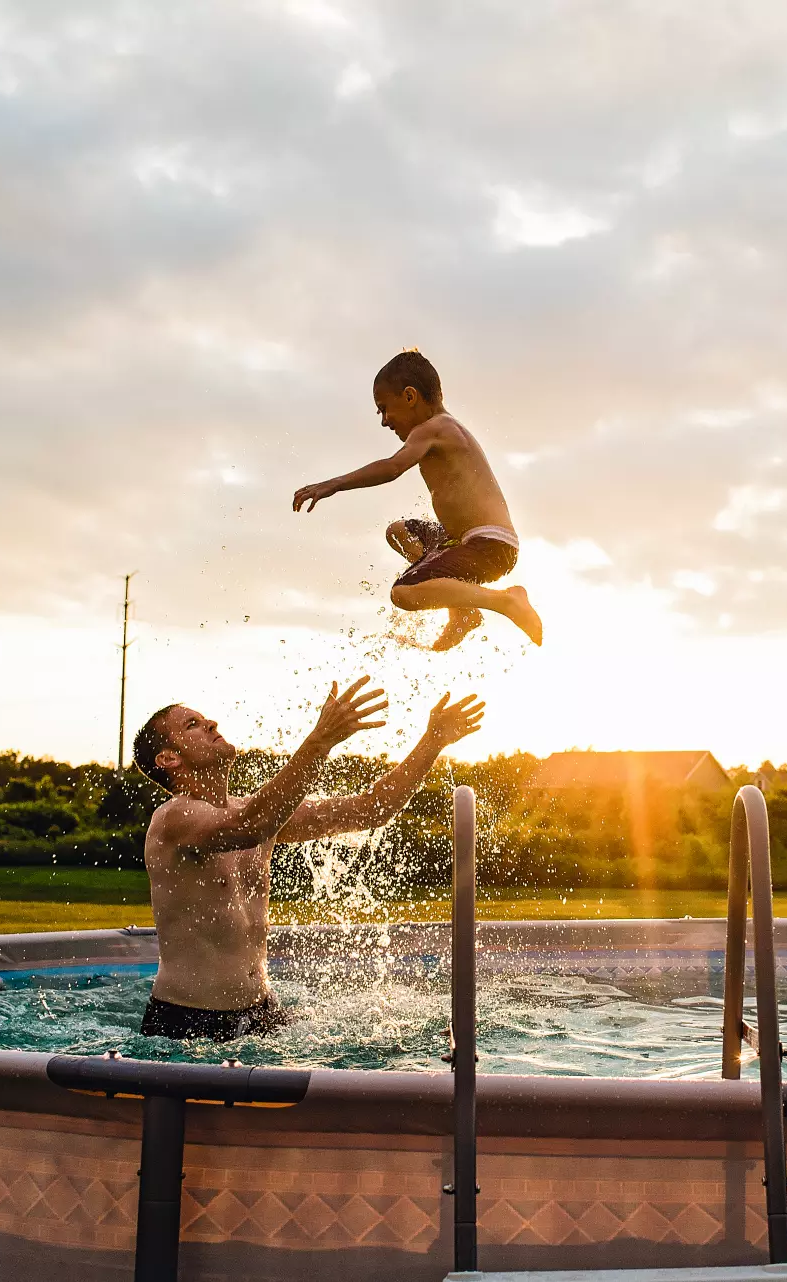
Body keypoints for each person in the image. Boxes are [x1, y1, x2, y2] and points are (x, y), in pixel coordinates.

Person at [131, 679, 485, 1040]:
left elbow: (370, 809)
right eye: (192, 724)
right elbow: (252, 825)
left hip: (261, 1013)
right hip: (190, 1024)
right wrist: (320, 740)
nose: (211, 725)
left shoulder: (251, 810)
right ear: (168, 758)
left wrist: (433, 741)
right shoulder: (174, 818)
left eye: (206, 719)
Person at [292, 349, 543, 651]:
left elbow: (392, 467)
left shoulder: (436, 428)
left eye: (385, 409)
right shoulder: (442, 427)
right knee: (399, 532)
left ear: (410, 396)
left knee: (404, 594)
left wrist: (333, 484)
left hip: (490, 545)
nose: (385, 421)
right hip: (464, 540)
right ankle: (461, 609)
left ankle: (505, 601)